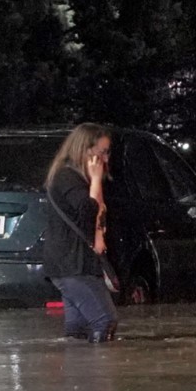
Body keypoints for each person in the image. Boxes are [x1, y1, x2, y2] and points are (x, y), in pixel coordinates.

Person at [43, 123, 118, 343]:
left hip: (76, 262)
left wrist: (99, 237)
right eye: (102, 152)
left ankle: (79, 375)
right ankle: (99, 375)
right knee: (105, 321)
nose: (105, 159)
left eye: (108, 152)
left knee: (78, 329)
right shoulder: (66, 177)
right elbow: (88, 212)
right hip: (71, 264)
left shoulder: (78, 177)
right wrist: (95, 180)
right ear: (85, 150)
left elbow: (97, 214)